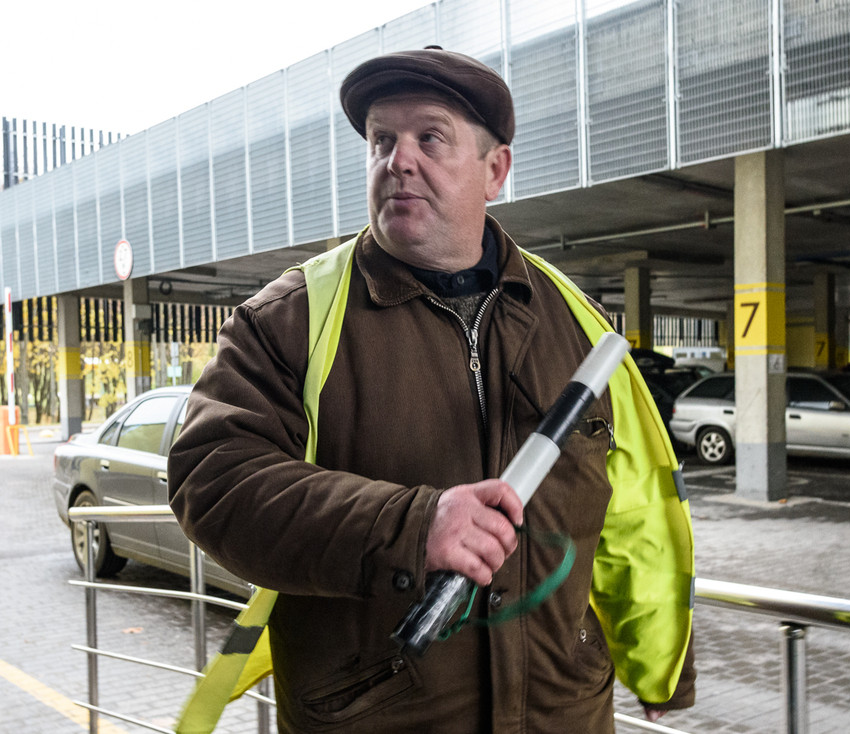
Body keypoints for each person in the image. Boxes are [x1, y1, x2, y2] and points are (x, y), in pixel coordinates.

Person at [168, 46, 694, 734]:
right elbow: (215, 480)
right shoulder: (289, 321)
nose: (398, 159)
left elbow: (635, 512)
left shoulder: (577, 326)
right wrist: (413, 527)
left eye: (430, 137)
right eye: (381, 140)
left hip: (563, 713)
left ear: (495, 169)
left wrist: (661, 665)